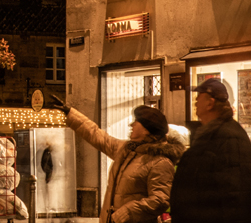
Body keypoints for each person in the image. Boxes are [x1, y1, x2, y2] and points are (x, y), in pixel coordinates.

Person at [52, 95, 183, 223]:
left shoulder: (160, 162)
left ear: (147, 130)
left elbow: (161, 199)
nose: (131, 124)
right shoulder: (127, 150)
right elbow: (97, 135)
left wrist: (128, 212)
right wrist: (70, 113)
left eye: (136, 122)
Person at [169, 78, 251, 223]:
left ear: (210, 103)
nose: (195, 101)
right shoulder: (210, 134)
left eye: (199, 97)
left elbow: (233, 193)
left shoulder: (228, 136)